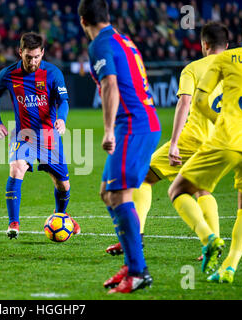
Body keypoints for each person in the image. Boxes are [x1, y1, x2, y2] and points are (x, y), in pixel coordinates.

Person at [106, 22, 229, 261]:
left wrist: (174, 142)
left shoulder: (193, 68)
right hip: (221, 142)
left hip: (192, 139)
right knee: (202, 190)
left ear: (204, 44)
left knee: (144, 177)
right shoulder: (235, 69)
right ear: (227, 45)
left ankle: (135, 238)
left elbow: (184, 103)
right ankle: (214, 241)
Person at [168, 10, 242, 284]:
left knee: (178, 190)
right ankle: (230, 267)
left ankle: (209, 237)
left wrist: (219, 120)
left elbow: (198, 102)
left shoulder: (225, 58)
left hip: (225, 139)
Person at [78, 0, 161, 294]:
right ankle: (131, 262)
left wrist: (109, 130)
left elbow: (110, 85)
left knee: (117, 193)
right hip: (143, 121)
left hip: (133, 124)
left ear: (82, 20)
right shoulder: (122, 38)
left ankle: (138, 272)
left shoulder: (100, 44)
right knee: (107, 192)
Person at [0, 32, 80, 239]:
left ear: (43, 53)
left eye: (37, 57)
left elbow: (63, 101)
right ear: (20, 53)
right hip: (24, 134)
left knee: (63, 184)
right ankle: (14, 223)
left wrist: (62, 119)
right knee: (16, 167)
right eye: (29, 57)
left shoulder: (53, 73)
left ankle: (62, 216)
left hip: (49, 135)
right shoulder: (8, 74)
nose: (33, 61)